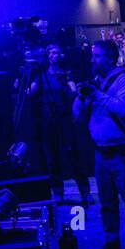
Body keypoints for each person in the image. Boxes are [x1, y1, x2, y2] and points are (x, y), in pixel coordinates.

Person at [74, 39, 125, 249]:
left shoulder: (124, 80)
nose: (92, 60)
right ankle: (112, 242)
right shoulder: (96, 81)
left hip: (122, 153)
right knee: (107, 203)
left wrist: (97, 95)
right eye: (92, 56)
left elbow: (123, 109)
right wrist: (79, 97)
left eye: (96, 56)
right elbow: (77, 117)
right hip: (101, 153)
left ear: (110, 58)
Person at [29, 44, 91, 205]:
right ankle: (58, 193)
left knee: (73, 155)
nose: (56, 55)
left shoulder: (66, 73)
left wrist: (67, 84)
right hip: (48, 121)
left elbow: (72, 91)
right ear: (48, 55)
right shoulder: (42, 75)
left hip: (65, 119)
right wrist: (22, 80)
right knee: (52, 157)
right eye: (53, 52)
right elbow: (30, 92)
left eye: (58, 52)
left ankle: (85, 192)